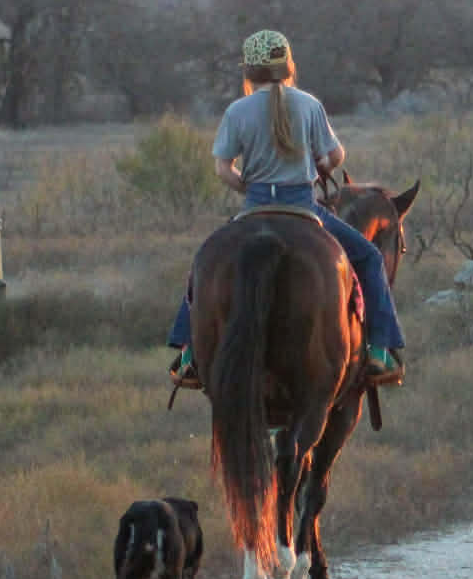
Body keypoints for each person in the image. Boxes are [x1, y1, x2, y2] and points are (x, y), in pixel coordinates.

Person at [167, 30, 405, 388]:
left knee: (204, 261)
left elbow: (222, 168)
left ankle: (189, 353)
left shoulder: (237, 110)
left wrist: (251, 189)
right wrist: (322, 163)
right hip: (302, 206)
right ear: (288, 66)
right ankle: (379, 350)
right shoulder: (309, 104)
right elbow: (337, 156)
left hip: (255, 206)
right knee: (369, 257)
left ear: (249, 71)